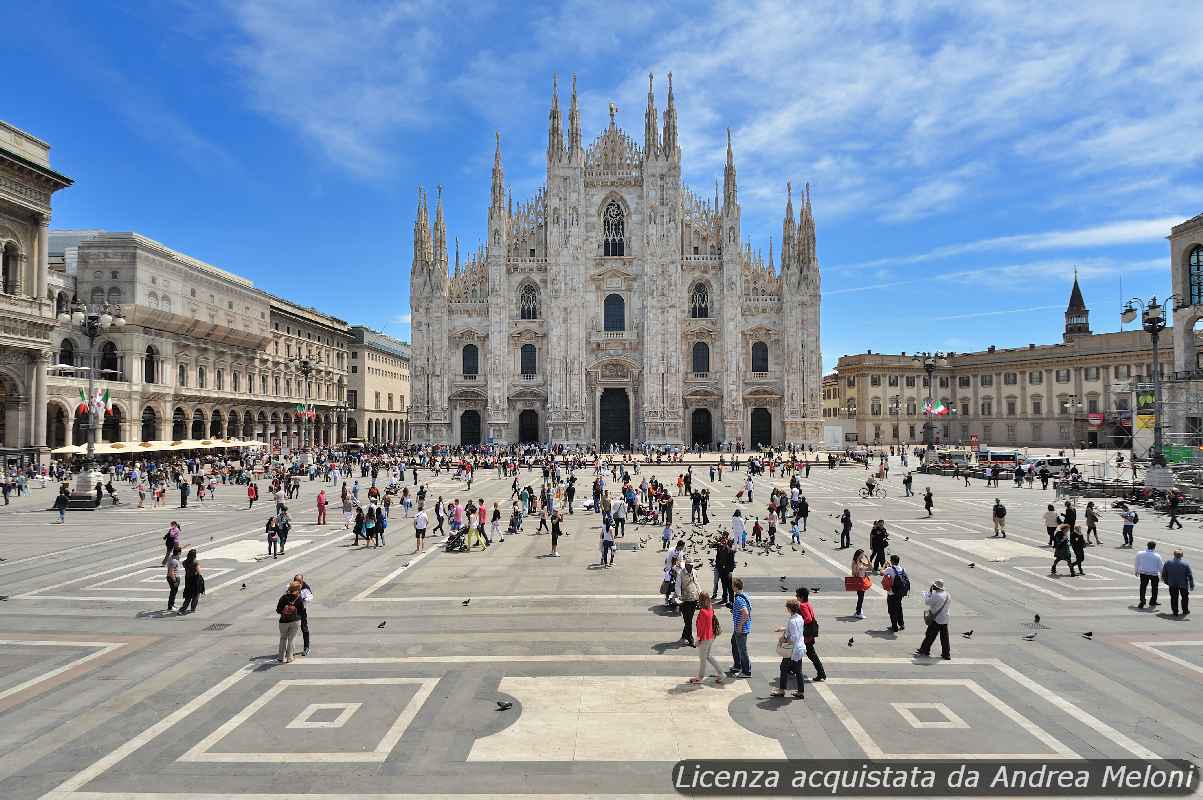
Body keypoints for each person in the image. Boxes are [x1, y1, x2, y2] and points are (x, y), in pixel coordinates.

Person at [688, 592, 724, 685]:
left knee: (703, 659)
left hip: (705, 638)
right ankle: (721, 673)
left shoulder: (703, 612)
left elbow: (701, 628)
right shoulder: (710, 608)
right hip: (711, 636)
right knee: (707, 656)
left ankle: (700, 677)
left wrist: (698, 640)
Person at [771, 598, 805, 698]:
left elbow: (793, 637)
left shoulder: (792, 621)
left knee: (783, 668)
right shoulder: (799, 617)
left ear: (789, 609)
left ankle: (781, 690)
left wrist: (784, 640)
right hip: (800, 648)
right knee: (798, 671)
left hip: (792, 650)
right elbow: (796, 630)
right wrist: (784, 629)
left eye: (787, 607)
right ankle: (800, 692)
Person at [795, 587, 826, 681]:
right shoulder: (807, 604)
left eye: (797, 595)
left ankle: (821, 673)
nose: (796, 597)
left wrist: (799, 623)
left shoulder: (803, 606)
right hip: (811, 631)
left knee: (810, 653)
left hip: (806, 633)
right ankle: (791, 669)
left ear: (801, 597)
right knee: (808, 652)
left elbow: (808, 618)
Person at [914, 579, 951, 660]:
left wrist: (927, 594)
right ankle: (946, 654)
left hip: (936, 618)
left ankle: (925, 649)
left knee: (930, 634)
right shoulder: (947, 594)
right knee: (945, 637)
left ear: (935, 587)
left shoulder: (936, 595)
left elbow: (927, 602)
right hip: (945, 618)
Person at [276, 580, 305, 664]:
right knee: (291, 639)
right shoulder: (299, 598)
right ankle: (290, 658)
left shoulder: (284, 597)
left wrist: (284, 613)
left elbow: (278, 610)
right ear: (298, 589)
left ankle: (280, 657)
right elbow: (302, 611)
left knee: (283, 638)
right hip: (295, 621)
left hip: (283, 621)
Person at [728, 577, 752, 678]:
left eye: (732, 585)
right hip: (741, 627)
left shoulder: (738, 599)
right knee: (734, 643)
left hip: (740, 628)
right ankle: (737, 665)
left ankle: (746, 671)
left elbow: (745, 613)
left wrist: (740, 625)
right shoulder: (745, 595)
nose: (731, 587)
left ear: (735, 587)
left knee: (742, 649)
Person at [1161, 550, 1194, 617]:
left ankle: (1175, 611)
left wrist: (1167, 582)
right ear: (1181, 556)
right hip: (1183, 584)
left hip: (1172, 584)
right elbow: (1189, 575)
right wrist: (1191, 585)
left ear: (1174, 555)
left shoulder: (1168, 563)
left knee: (1174, 597)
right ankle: (1185, 610)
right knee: (1185, 597)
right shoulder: (1185, 564)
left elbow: (1164, 574)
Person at [882, 554, 908, 632]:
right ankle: (901, 624)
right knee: (899, 608)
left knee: (892, 610)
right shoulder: (902, 569)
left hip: (892, 593)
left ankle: (894, 627)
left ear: (892, 561)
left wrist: (884, 565)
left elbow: (881, 572)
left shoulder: (889, 569)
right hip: (900, 593)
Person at [1135, 541, 1164, 609]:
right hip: (1153, 574)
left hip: (1143, 572)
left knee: (1143, 587)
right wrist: (1163, 575)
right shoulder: (1157, 556)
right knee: (1154, 588)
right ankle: (1153, 601)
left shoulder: (1140, 553)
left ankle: (1142, 601)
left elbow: (1137, 562)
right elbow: (1161, 566)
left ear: (1147, 546)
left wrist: (1136, 571)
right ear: (1154, 547)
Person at [677, 562, 700, 646]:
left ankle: (685, 634)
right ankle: (690, 638)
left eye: (692, 565)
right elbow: (677, 586)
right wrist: (679, 597)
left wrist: (700, 593)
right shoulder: (680, 573)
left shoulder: (694, 572)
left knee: (689, 618)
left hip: (694, 598)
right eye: (689, 566)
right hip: (685, 599)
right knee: (688, 620)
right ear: (686, 566)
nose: (691, 567)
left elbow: (696, 583)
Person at [294, 573, 314, 656]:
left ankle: (306, 647)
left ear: (302, 581)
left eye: (299, 581)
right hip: (293, 611)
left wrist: (304, 599)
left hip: (302, 611)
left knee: (304, 629)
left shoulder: (305, 588)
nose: (297, 583)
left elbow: (310, 597)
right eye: (296, 581)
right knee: (291, 630)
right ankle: (289, 649)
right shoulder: (291, 586)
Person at [178, 548, 203, 615]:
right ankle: (192, 608)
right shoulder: (195, 562)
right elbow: (199, 572)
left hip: (188, 579)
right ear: (195, 555)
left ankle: (183, 608)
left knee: (188, 595)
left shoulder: (185, 562)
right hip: (195, 580)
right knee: (196, 594)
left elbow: (184, 565)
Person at [849, 548, 870, 618]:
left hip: (862, 580)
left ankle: (858, 610)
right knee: (861, 597)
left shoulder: (860, 561)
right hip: (859, 581)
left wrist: (867, 559)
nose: (863, 556)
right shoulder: (855, 562)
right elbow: (854, 573)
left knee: (860, 597)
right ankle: (858, 612)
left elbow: (869, 567)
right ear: (858, 555)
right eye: (862, 554)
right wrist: (860, 570)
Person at [165, 544, 182, 611]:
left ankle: (172, 604)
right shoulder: (174, 561)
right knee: (173, 592)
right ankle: (170, 606)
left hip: (172, 577)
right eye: (180, 553)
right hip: (173, 577)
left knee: (174, 592)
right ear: (178, 553)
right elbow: (171, 571)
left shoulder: (171, 558)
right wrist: (174, 580)